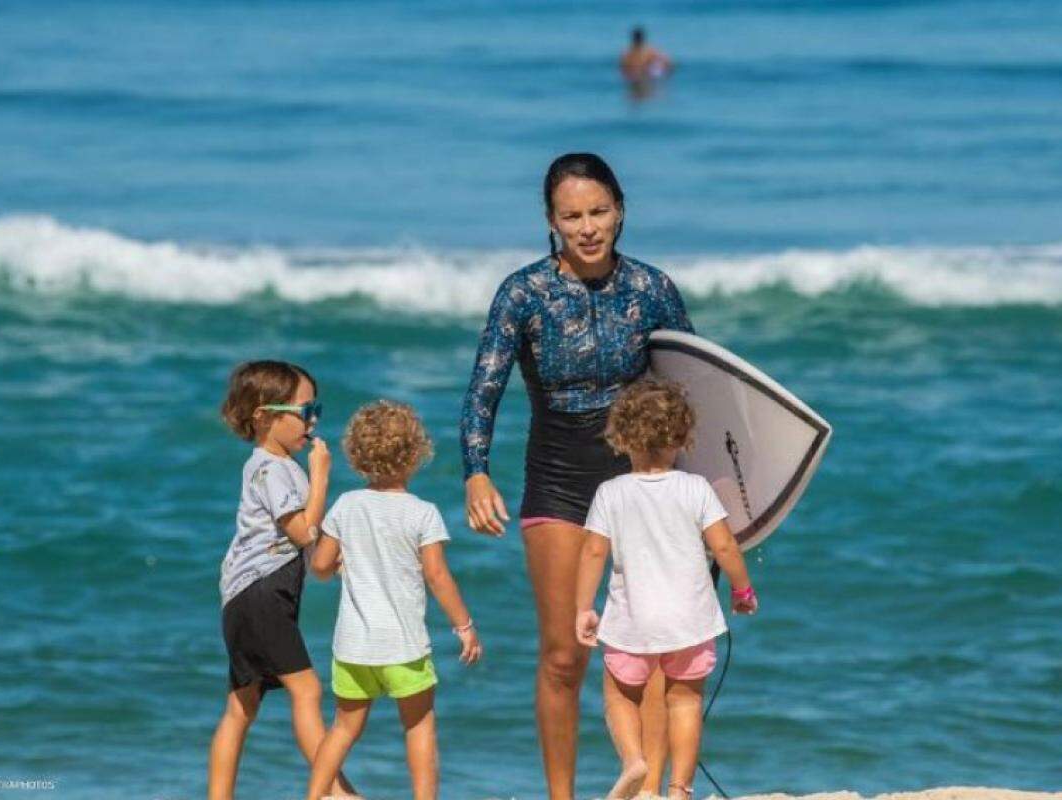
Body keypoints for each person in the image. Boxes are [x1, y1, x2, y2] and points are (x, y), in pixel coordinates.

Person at [461, 152, 693, 799]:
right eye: (572, 215)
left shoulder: (652, 290)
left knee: (649, 648)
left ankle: (646, 791)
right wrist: (476, 473)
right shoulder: (523, 294)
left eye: (598, 211)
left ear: (620, 210)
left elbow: (697, 387)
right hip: (559, 477)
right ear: (551, 220)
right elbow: (484, 389)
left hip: (642, 476)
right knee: (566, 654)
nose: (587, 227)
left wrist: (714, 494)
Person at [575, 379, 758, 800]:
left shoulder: (611, 493)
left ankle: (634, 761)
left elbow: (592, 552)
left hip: (632, 624)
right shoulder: (697, 489)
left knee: (621, 697)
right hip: (690, 623)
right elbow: (724, 545)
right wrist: (742, 590)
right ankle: (679, 789)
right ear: (682, 438)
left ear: (621, 439)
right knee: (686, 703)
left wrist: (584, 607)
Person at [307, 401, 482, 800]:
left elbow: (319, 565)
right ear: (416, 454)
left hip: (353, 647)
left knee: (343, 728)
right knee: (418, 726)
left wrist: (339, 566)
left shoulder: (346, 506)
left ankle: (314, 796)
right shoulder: (423, 513)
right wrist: (464, 626)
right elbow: (437, 576)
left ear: (357, 456)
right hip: (403, 648)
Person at [209, 360, 356, 800]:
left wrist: (343, 564)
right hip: (261, 594)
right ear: (263, 417)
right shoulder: (273, 469)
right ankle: (335, 793)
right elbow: (303, 532)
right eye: (303, 410)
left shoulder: (277, 467)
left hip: (246, 596)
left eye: (316, 409)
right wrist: (323, 475)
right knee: (306, 688)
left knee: (241, 705)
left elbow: (312, 551)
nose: (312, 421)